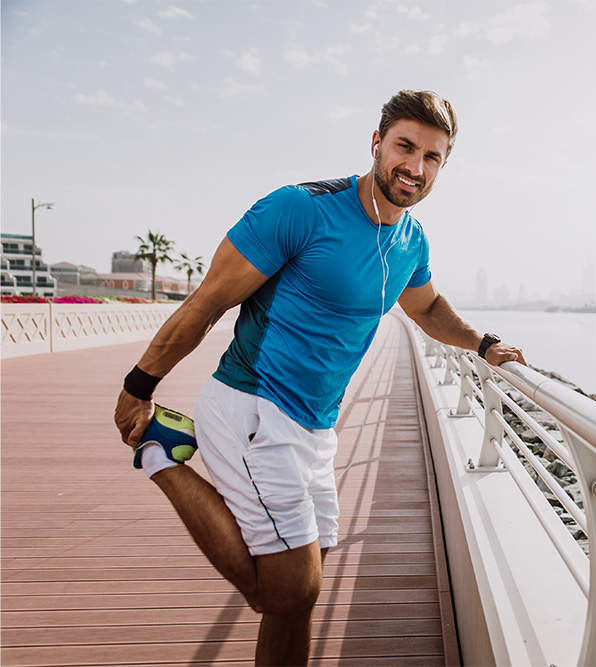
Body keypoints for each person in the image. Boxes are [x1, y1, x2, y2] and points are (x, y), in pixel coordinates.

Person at [114, 89, 525, 666]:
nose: (415, 166)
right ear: (377, 143)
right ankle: (161, 453)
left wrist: (484, 344)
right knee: (292, 588)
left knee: (295, 599)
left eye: (432, 157)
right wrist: (139, 387)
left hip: (315, 427)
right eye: (405, 146)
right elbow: (208, 303)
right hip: (254, 408)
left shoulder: (410, 239)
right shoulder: (301, 210)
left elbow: (428, 310)